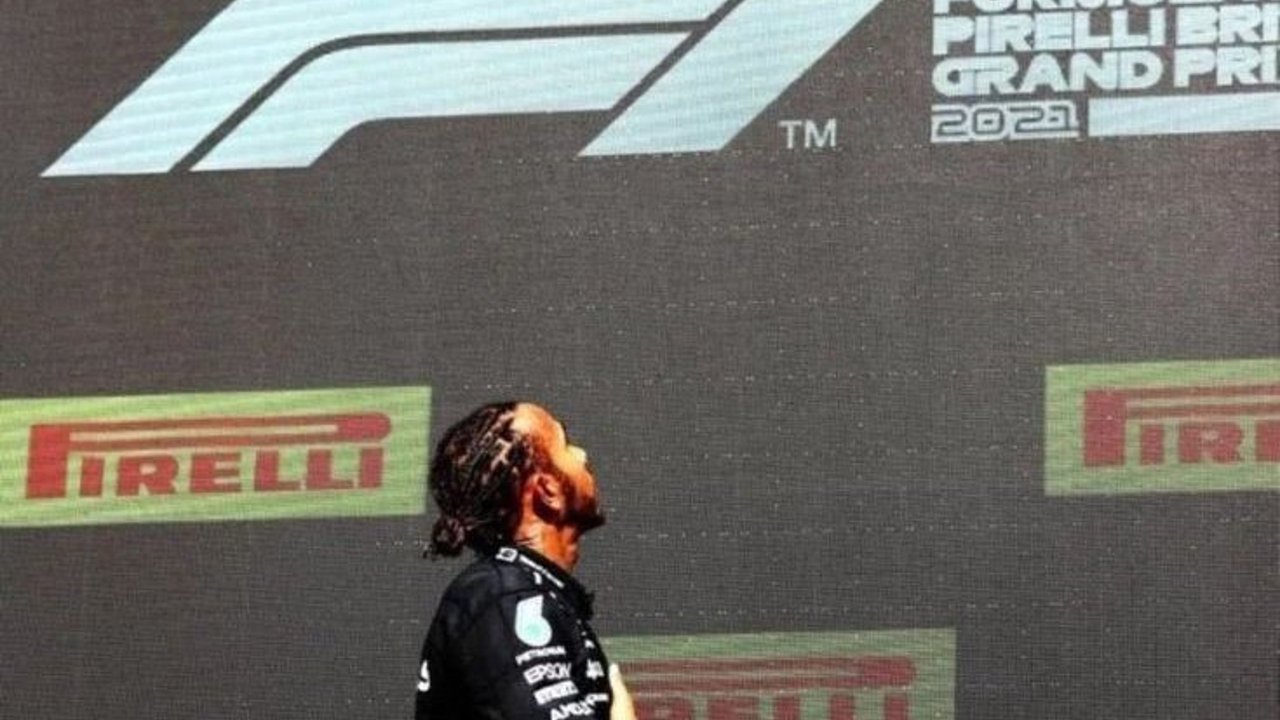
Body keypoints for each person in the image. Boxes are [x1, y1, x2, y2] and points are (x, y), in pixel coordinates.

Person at [415, 402, 636, 720]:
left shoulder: (518, 591)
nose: (582, 454)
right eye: (565, 445)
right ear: (548, 491)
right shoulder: (506, 597)